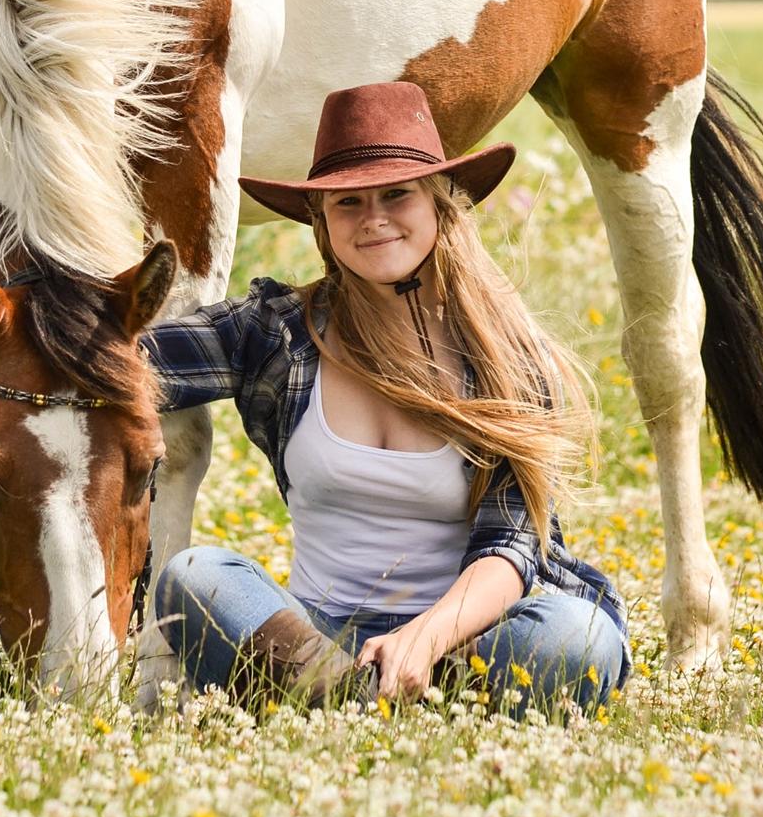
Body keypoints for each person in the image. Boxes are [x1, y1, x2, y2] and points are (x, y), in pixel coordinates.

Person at [141, 82, 630, 716]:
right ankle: (366, 695)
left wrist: (421, 641)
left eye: (396, 194)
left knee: (576, 636)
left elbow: (509, 553)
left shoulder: (507, 357)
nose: (373, 217)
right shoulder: (281, 332)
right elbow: (132, 354)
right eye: (348, 202)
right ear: (321, 221)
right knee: (196, 576)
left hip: (468, 636)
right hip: (317, 633)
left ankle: (348, 702)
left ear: (439, 204)